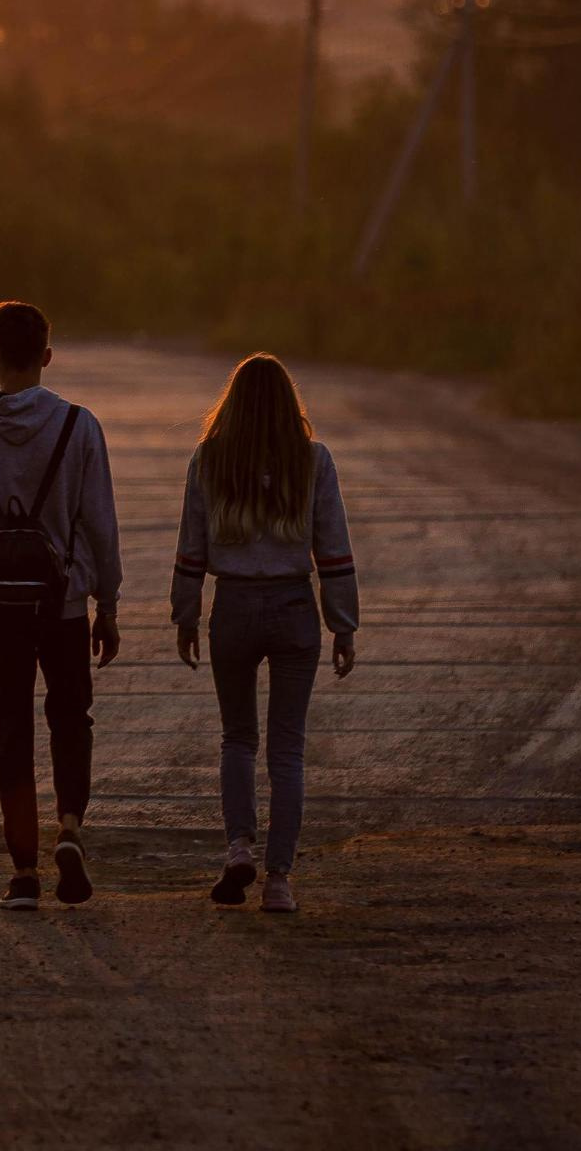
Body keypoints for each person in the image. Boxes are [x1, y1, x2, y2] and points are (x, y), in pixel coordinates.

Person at [0, 300, 121, 910]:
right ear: (46, 355)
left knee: (9, 731)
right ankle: (69, 827)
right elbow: (100, 526)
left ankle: (22, 873)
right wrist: (107, 602)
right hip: (62, 604)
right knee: (70, 719)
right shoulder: (79, 426)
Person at [170, 353, 358, 915]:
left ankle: (237, 848)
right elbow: (333, 547)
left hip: (232, 606)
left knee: (237, 738)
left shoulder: (210, 459)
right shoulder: (313, 461)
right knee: (288, 749)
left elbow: (191, 546)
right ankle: (279, 880)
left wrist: (185, 614)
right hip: (294, 606)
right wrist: (342, 625)